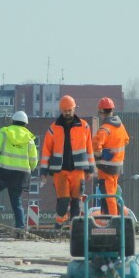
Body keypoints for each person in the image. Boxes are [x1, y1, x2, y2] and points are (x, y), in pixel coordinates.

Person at [38, 95, 94, 228]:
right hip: (60, 171)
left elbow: (89, 149)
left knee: (76, 202)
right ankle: (59, 224)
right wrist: (44, 172)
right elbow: (46, 151)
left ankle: (73, 228)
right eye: (65, 111)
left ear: (74, 109)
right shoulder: (53, 128)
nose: (67, 113)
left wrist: (90, 170)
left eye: (69, 110)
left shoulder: (84, 127)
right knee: (63, 202)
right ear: (61, 111)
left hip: (78, 171)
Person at [0, 110, 37, 232]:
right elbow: (33, 160)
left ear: (12, 121)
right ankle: (20, 229)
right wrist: (29, 169)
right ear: (25, 124)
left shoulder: (4, 133)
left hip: (2, 172)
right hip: (20, 175)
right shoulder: (29, 139)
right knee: (17, 203)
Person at [91, 97, 129, 215]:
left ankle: (113, 220)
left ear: (101, 112)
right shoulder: (120, 126)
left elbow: (96, 147)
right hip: (117, 166)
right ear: (112, 110)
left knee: (108, 196)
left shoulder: (104, 129)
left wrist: (100, 155)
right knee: (111, 193)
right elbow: (126, 140)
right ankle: (111, 215)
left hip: (106, 168)